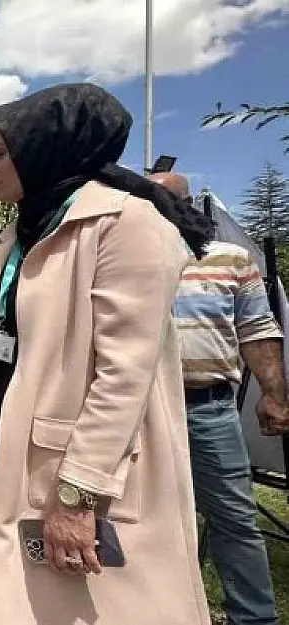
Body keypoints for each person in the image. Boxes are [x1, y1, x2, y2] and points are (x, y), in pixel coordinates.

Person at [0, 83, 215, 624]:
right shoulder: (17, 231)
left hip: (83, 468)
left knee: (105, 608)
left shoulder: (126, 224)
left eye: (1, 152)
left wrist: (78, 495)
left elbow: (125, 372)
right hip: (14, 442)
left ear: (47, 147)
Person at [154, 171, 289, 625]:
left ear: (187, 204)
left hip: (207, 408)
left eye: (163, 199)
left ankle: (253, 617)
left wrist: (275, 396)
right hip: (144, 411)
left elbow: (258, 329)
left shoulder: (230, 258)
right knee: (150, 517)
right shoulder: (127, 258)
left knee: (233, 517)